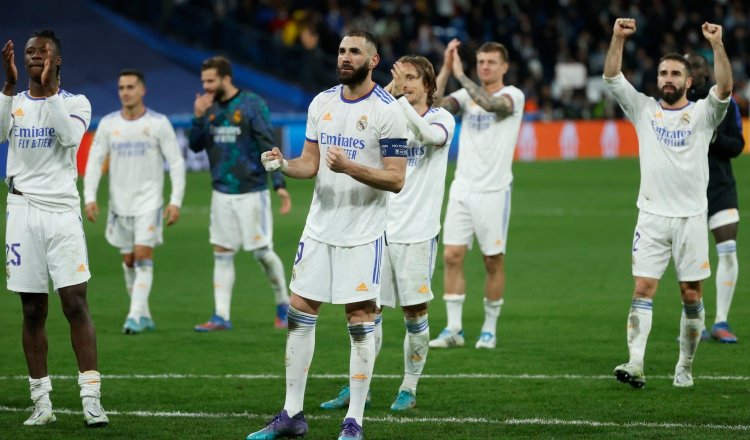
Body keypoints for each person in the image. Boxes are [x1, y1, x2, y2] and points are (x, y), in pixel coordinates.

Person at [246, 29, 408, 440]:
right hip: (319, 229)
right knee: (299, 311)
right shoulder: (322, 103)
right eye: (341, 51)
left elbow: (396, 179)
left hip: (363, 233)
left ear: (373, 61)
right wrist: (283, 164)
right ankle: (291, 413)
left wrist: (352, 167)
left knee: (359, 318)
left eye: (354, 52)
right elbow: (310, 163)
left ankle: (354, 419)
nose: (345, 58)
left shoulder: (389, 112)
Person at [319, 55, 456, 412]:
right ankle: (356, 385)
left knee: (414, 312)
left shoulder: (442, 119)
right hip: (376, 229)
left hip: (416, 233)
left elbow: (427, 136)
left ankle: (408, 387)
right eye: (401, 78)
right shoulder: (387, 116)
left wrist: (393, 99)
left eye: (413, 78)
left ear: (429, 85)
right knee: (366, 310)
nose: (406, 84)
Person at [604, 19, 732, 389]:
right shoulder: (643, 109)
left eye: (676, 73)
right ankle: (636, 362)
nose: (668, 78)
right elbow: (612, 77)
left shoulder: (704, 114)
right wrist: (617, 38)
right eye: (663, 73)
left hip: (691, 218)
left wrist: (717, 45)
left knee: (691, 294)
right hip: (652, 217)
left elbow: (725, 86)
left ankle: (685, 366)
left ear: (689, 81)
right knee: (643, 287)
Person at [1, 30, 108, 427]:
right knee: (32, 309)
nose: (33, 57)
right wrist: (10, 86)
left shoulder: (76, 103)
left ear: (57, 60)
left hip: (62, 212)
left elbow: (69, 137)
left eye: (42, 52)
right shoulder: (12, 102)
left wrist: (47, 92)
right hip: (21, 211)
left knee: (75, 303)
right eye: (29, 52)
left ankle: (91, 398)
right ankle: (41, 401)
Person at [428, 40, 525, 350]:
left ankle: (489, 328)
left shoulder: (513, 96)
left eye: (491, 62)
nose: (484, 66)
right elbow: (433, 106)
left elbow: (490, 104)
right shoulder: (464, 95)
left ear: (505, 67)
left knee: (492, 261)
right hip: (462, 188)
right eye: (481, 61)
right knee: (451, 256)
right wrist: (445, 69)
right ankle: (454, 328)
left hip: (494, 191)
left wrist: (461, 75)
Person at [188, 56, 292, 331]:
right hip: (221, 191)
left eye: (211, 81)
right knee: (222, 252)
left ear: (225, 78)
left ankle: (284, 303)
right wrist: (198, 117)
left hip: (251, 191)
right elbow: (195, 146)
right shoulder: (207, 108)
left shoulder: (251, 104)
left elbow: (268, 144)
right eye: (204, 82)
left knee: (262, 253)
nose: (206, 87)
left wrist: (279, 184)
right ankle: (221, 315)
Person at [83, 69, 186, 334]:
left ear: (142, 90)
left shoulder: (158, 123)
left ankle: (133, 316)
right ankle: (145, 314)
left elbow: (176, 163)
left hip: (148, 203)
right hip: (119, 204)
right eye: (121, 87)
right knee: (129, 261)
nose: (125, 92)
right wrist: (90, 197)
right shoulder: (108, 124)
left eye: (130, 87)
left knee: (142, 256)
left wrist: (175, 201)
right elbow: (94, 162)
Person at [685, 53, 744, 344]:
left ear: (706, 71)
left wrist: (714, 139)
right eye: (688, 67)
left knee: (728, 251)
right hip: (687, 190)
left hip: (720, 187)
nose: (693, 71)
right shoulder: (676, 105)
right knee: (691, 260)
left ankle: (721, 321)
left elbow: (737, 145)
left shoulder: (725, 103)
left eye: (697, 65)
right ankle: (697, 322)